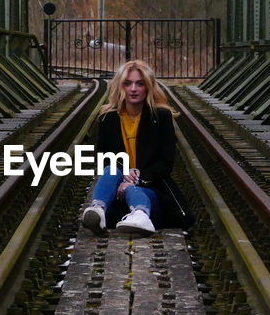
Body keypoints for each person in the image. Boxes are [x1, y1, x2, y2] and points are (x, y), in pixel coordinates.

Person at [81, 59, 193, 236]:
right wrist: (124, 174)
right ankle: (98, 209)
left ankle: (141, 215)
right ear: (120, 87)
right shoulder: (107, 118)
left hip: (152, 190)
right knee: (110, 169)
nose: (133, 89)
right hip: (118, 193)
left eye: (140, 84)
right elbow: (102, 158)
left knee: (133, 189)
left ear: (148, 87)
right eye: (128, 83)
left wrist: (136, 179)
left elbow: (166, 162)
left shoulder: (161, 116)